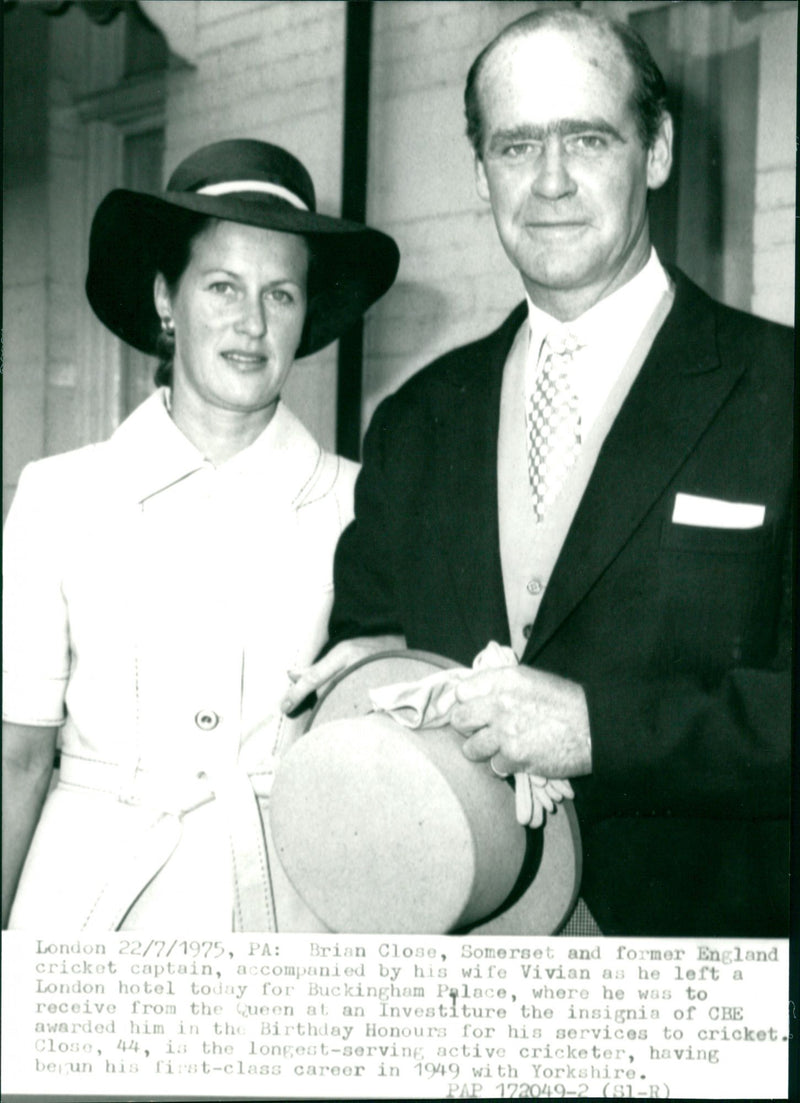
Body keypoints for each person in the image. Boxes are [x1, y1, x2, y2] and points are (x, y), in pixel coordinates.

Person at [282, 10, 793, 937]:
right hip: (463, 962)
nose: (550, 182)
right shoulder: (416, 421)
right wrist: (373, 681)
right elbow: (373, 646)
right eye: (517, 146)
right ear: (480, 175)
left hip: (707, 961)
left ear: (658, 150)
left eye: (588, 138)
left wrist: (605, 728)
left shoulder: (783, 392)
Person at [2, 138, 399, 931]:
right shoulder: (60, 497)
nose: (251, 323)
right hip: (83, 907)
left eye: (281, 295)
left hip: (281, 908)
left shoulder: (363, 502)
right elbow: (15, 758)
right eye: (222, 285)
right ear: (164, 298)